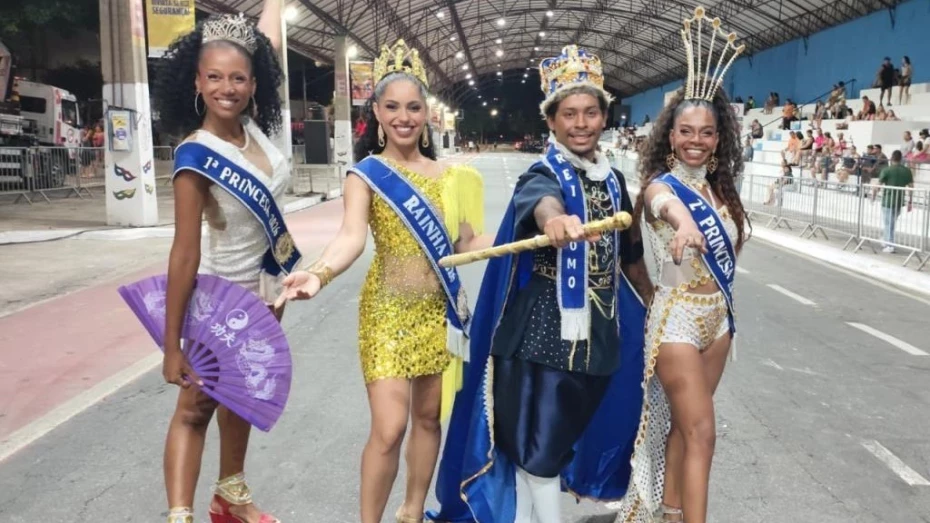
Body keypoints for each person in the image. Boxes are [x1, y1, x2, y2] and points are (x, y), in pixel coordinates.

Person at [428, 44, 653, 523]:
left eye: (590, 112)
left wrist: (656, 305)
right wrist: (555, 220)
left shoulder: (614, 181)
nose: (580, 123)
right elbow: (541, 201)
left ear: (604, 117)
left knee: (546, 449)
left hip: (599, 341)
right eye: (569, 113)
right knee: (537, 451)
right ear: (551, 121)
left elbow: (630, 256)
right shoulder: (542, 173)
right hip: (542, 338)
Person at [276, 39, 489, 523]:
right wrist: (319, 273)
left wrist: (530, 232)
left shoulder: (449, 176)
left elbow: (467, 243)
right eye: (392, 107)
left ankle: (412, 510)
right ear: (376, 111)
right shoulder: (366, 175)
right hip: (386, 313)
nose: (403, 117)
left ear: (427, 114)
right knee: (390, 428)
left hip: (436, 312)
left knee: (428, 419)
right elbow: (351, 237)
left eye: (413, 107)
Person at [152, 3, 291, 522]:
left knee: (242, 395)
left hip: (265, 296)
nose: (226, 88)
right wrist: (172, 347)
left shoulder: (256, 134)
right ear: (197, 81)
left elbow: (267, 40)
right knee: (196, 407)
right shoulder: (195, 154)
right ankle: (180, 514)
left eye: (237, 78)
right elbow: (184, 252)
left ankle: (231, 495)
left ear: (254, 84)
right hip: (218, 298)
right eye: (214, 77)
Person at [615, 7, 749, 523]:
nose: (696, 140)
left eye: (707, 132)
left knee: (683, 427)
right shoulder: (660, 188)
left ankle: (670, 513)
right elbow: (662, 206)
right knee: (702, 433)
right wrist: (684, 223)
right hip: (677, 320)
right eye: (686, 131)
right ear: (669, 136)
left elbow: (723, 252)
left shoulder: (721, 190)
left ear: (718, 138)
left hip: (718, 322)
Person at [874, 150, 914, 253]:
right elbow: (911, 187)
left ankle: (889, 245)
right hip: (899, 201)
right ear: (901, 159)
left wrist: (873, 195)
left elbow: (878, 186)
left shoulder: (887, 170)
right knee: (891, 223)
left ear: (891, 158)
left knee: (888, 223)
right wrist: (910, 201)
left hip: (888, 200)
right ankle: (886, 240)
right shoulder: (907, 171)